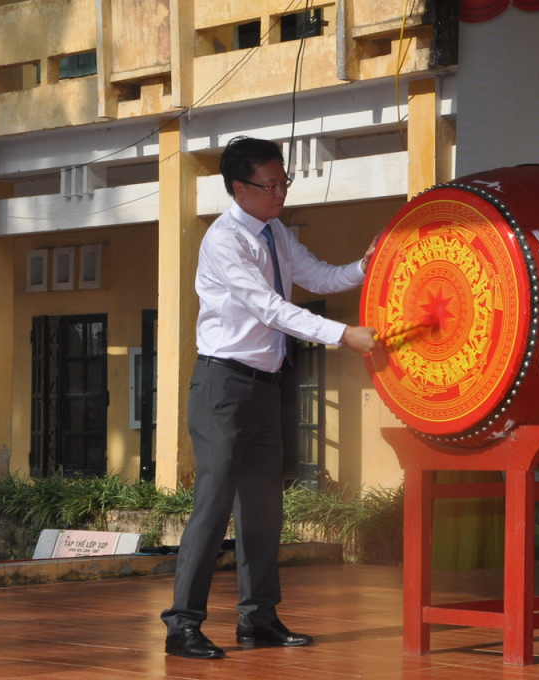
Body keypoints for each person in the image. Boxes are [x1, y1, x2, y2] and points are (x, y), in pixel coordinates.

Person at [161, 136, 378, 659]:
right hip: (223, 387)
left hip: (265, 387)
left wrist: (365, 266)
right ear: (240, 188)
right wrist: (343, 334)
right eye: (271, 184)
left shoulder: (275, 230)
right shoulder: (224, 240)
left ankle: (258, 619)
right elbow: (270, 308)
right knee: (213, 507)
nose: (281, 192)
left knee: (263, 510)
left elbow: (318, 275)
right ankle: (182, 626)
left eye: (284, 182)